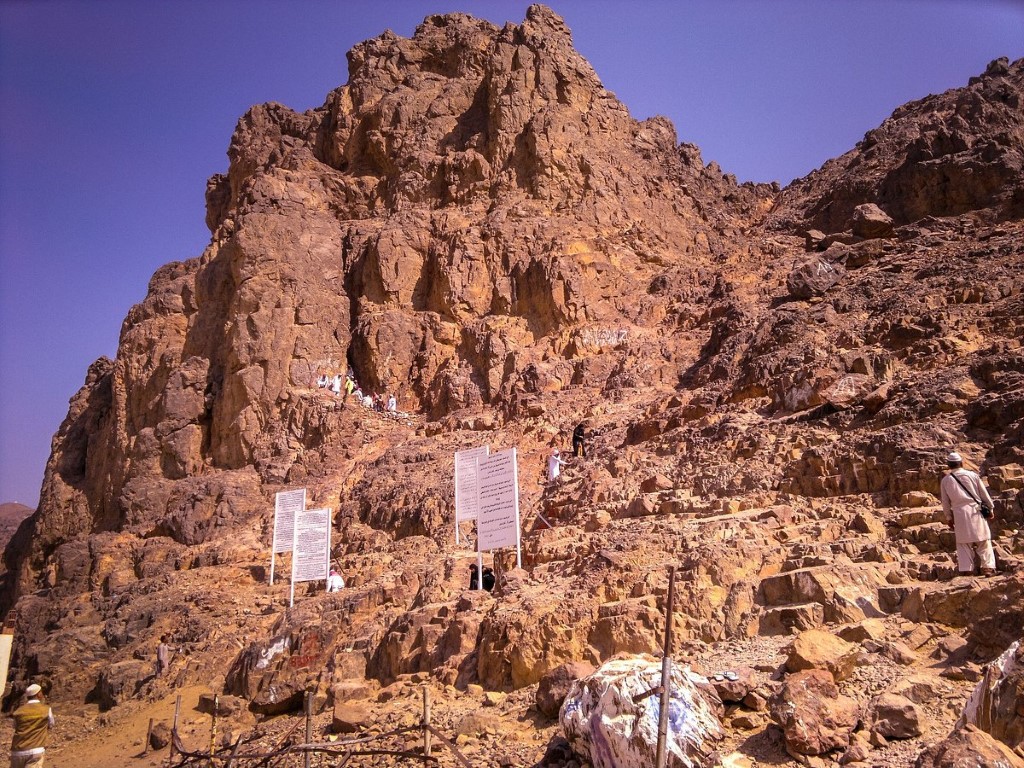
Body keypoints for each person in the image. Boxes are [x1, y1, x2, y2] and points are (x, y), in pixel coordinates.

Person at [940, 451, 996, 577]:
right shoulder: (972, 475)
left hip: (959, 513)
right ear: (961, 463)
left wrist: (949, 517)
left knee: (963, 543)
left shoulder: (945, 480)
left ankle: (967, 570)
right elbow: (983, 493)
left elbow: (945, 502)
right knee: (983, 541)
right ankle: (988, 568)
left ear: (949, 465)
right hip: (975, 510)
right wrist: (990, 508)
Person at [9, 683, 54, 768]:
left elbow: (15, 726)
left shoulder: (19, 711)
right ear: (39, 694)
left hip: (17, 750)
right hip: (35, 750)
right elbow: (51, 724)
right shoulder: (46, 709)